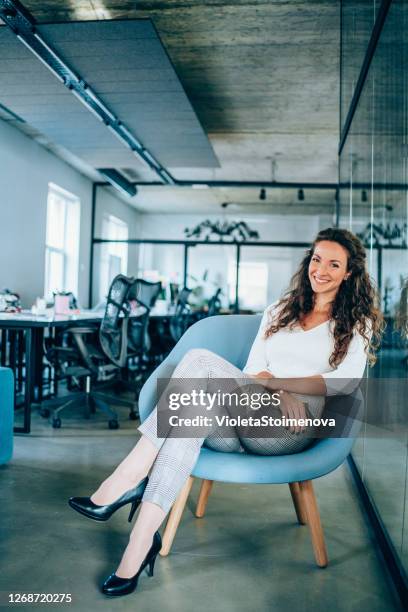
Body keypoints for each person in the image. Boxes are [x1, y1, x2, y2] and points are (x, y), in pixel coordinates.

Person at [68, 227, 383, 597]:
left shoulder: (356, 323)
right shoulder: (279, 311)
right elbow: (252, 373)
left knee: (199, 360)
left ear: (349, 273)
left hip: (290, 431)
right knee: (192, 411)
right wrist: (277, 387)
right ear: (308, 262)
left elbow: (343, 384)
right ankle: (138, 547)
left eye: (334, 264)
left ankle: (126, 478)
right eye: (316, 259)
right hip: (245, 417)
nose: (322, 270)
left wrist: (280, 385)